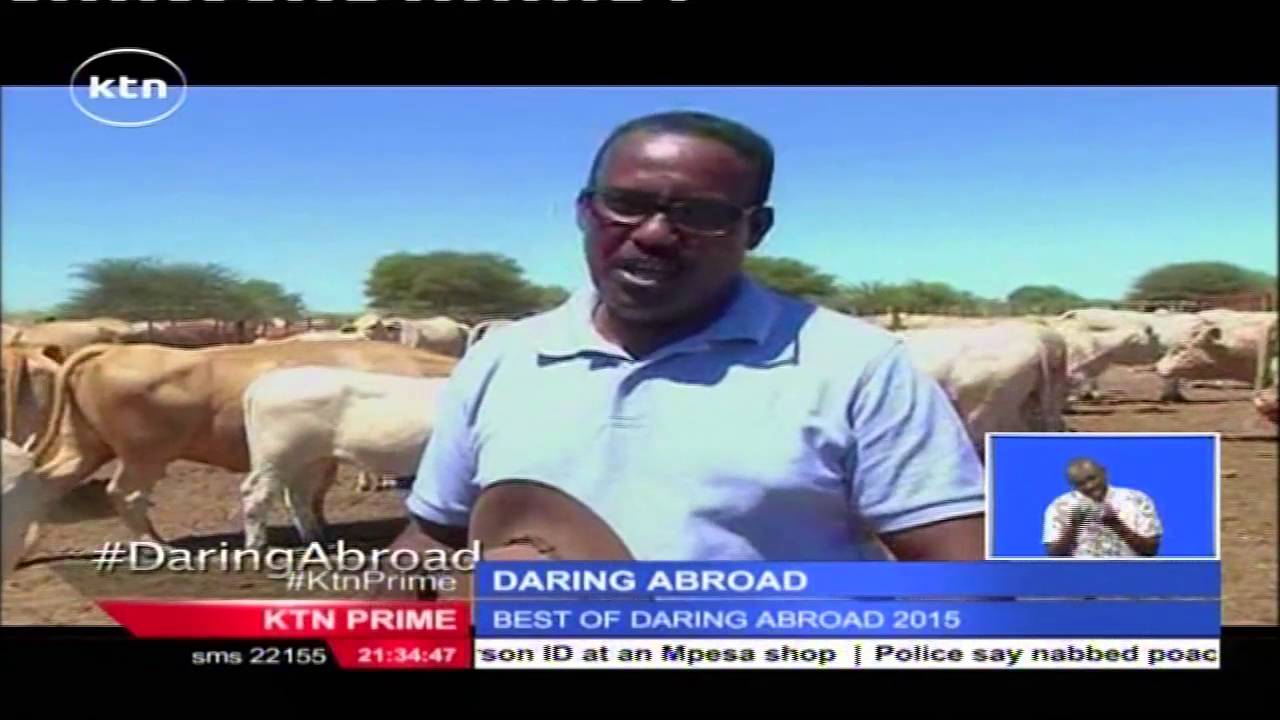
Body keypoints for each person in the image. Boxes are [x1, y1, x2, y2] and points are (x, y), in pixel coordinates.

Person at [386, 110, 985, 570]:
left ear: (756, 229)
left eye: (700, 214)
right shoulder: (502, 359)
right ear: (585, 212)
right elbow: (434, 536)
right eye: (626, 204)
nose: (652, 234)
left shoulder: (856, 367)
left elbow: (959, 568)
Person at [1043, 457, 1162, 558]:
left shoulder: (1137, 499)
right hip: (1080, 573)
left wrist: (1116, 525)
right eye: (1080, 483)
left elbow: (1150, 550)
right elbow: (1054, 555)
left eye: (1092, 478)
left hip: (1130, 572)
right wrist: (1074, 527)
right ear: (1072, 485)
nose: (1089, 486)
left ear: (1104, 472)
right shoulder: (1059, 506)